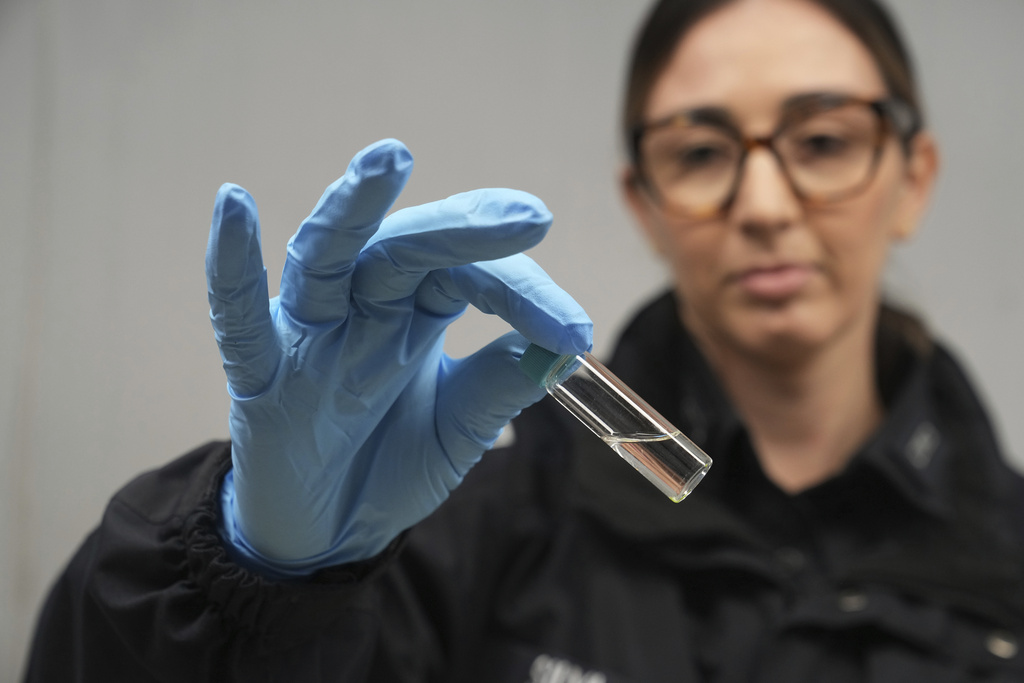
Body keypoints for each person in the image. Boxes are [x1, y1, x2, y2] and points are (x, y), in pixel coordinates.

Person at [23, 0, 1024, 680]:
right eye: (703, 151)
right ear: (644, 198)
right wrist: (252, 577)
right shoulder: (472, 536)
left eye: (822, 140)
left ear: (914, 175)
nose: (763, 204)